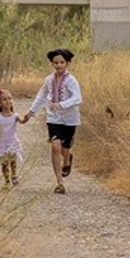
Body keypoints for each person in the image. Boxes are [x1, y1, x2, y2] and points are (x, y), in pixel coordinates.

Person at [22, 47, 82, 194]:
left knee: (64, 149)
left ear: (67, 63)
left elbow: (78, 98)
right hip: (53, 118)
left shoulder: (71, 80)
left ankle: (67, 159)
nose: (59, 65)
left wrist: (61, 105)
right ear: (52, 64)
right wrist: (31, 112)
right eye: (56, 62)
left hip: (70, 118)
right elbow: (41, 95)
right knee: (55, 146)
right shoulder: (49, 80)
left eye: (62, 62)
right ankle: (59, 181)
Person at [0, 88, 24, 189]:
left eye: (9, 98)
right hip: (2, 143)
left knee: (13, 160)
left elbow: (23, 121)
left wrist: (29, 115)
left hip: (12, 142)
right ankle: (7, 181)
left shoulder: (15, 116)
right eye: (4, 99)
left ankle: (14, 176)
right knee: (4, 163)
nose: (8, 101)